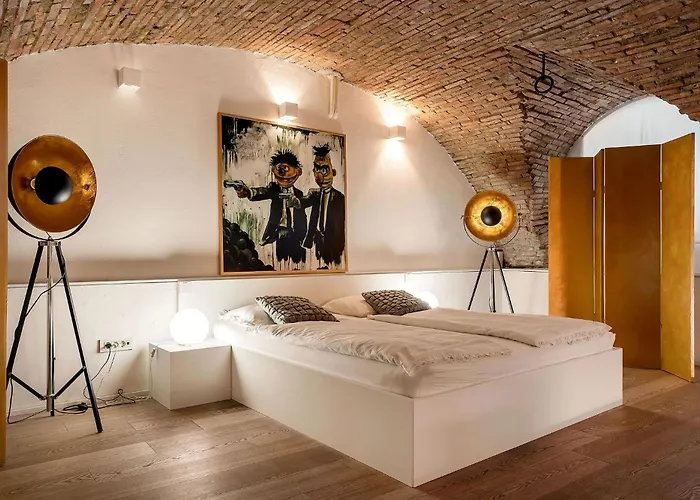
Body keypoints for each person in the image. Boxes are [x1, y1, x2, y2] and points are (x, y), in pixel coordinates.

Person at [233, 150, 307, 264]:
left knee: (297, 261)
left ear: (298, 171)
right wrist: (249, 192)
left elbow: (303, 211)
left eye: (286, 168)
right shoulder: (274, 189)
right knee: (280, 260)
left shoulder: (299, 193)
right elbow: (263, 192)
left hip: (295, 233)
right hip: (277, 233)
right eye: (279, 169)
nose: (283, 174)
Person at [302, 144, 345, 267]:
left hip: (332, 244)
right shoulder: (315, 195)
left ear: (333, 172)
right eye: (317, 169)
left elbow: (340, 225)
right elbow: (302, 203)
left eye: (324, 170)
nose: (320, 176)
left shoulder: (339, 198)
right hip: (316, 242)